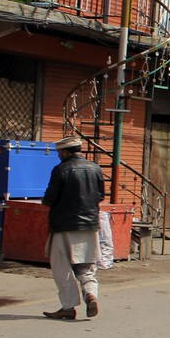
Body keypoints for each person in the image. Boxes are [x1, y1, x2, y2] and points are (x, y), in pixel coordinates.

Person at [41, 135, 105, 320]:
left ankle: (68, 307)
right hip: (90, 226)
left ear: (64, 152)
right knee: (86, 266)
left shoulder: (61, 170)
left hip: (64, 226)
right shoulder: (95, 168)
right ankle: (90, 294)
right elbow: (100, 195)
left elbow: (49, 199)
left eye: (59, 152)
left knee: (62, 267)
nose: (58, 155)